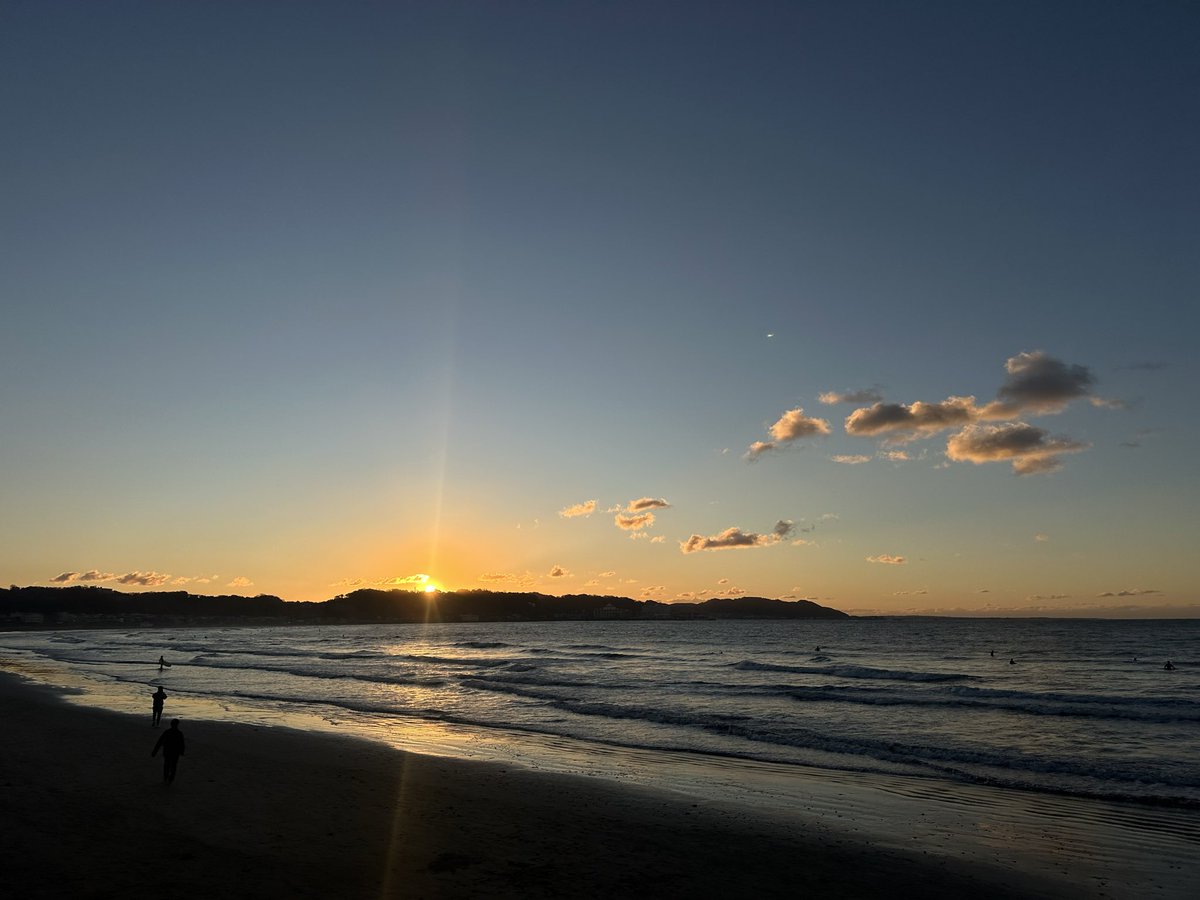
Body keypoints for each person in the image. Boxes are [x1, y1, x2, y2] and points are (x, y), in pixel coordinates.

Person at [151, 719, 186, 783]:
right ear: (177, 725)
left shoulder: (167, 732)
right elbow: (182, 744)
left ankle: (166, 777)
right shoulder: (179, 733)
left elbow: (159, 742)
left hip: (167, 752)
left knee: (167, 765)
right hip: (175, 752)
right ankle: (170, 778)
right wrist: (182, 751)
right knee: (173, 766)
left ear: (171, 724)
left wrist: (154, 752)